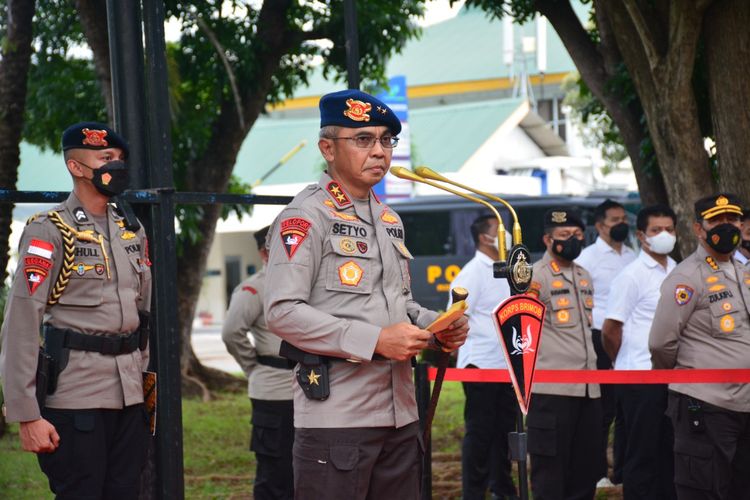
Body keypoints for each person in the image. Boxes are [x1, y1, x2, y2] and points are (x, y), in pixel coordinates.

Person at [263, 89, 469, 499]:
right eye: (363, 140)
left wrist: (436, 326)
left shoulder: (389, 220)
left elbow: (400, 304)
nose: (379, 151)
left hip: (400, 415)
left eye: (385, 141)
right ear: (327, 148)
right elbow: (283, 312)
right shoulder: (305, 216)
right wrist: (375, 341)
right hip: (338, 420)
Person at [0, 122, 152, 498]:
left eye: (119, 159)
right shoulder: (49, 231)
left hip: (130, 396)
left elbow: (143, 316)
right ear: (76, 167)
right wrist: (26, 414)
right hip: (75, 396)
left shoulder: (133, 231)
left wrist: (145, 382)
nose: (115, 166)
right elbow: (21, 322)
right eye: (106, 158)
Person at [649, 193, 750, 499]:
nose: (726, 226)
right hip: (706, 406)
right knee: (705, 490)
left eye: (732, 220)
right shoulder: (687, 277)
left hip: (744, 405)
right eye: (716, 221)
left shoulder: (744, 273)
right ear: (698, 229)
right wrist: (681, 380)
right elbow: (660, 343)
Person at [601, 205, 678, 500]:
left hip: (673, 378)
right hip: (639, 377)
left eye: (669, 229)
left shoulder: (677, 270)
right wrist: (622, 362)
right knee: (642, 454)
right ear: (641, 236)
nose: (664, 236)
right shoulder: (631, 275)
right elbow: (610, 329)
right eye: (656, 230)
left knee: (669, 452)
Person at [526, 208, 601, 500]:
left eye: (577, 235)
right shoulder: (535, 277)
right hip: (551, 391)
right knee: (549, 473)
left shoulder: (584, 275)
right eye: (564, 236)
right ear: (547, 239)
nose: (572, 240)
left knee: (587, 469)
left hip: (588, 390)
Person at [222, 225, 294, 499]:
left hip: (311, 389)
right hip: (274, 390)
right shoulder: (253, 289)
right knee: (275, 473)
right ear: (264, 253)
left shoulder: (307, 285)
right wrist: (254, 366)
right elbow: (231, 333)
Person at [449, 215, 516, 500]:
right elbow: (455, 317)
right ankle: (473, 493)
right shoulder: (472, 273)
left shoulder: (508, 270)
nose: (507, 236)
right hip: (480, 365)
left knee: (503, 433)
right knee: (480, 434)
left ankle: (502, 487)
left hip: (506, 365)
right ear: (484, 238)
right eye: (500, 231)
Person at [575, 199, 634, 486]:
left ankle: (622, 470)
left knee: (626, 407)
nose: (621, 223)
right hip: (599, 336)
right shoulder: (587, 258)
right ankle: (597, 471)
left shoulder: (633, 256)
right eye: (614, 219)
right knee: (603, 408)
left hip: (629, 340)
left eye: (624, 218)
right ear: (600, 226)